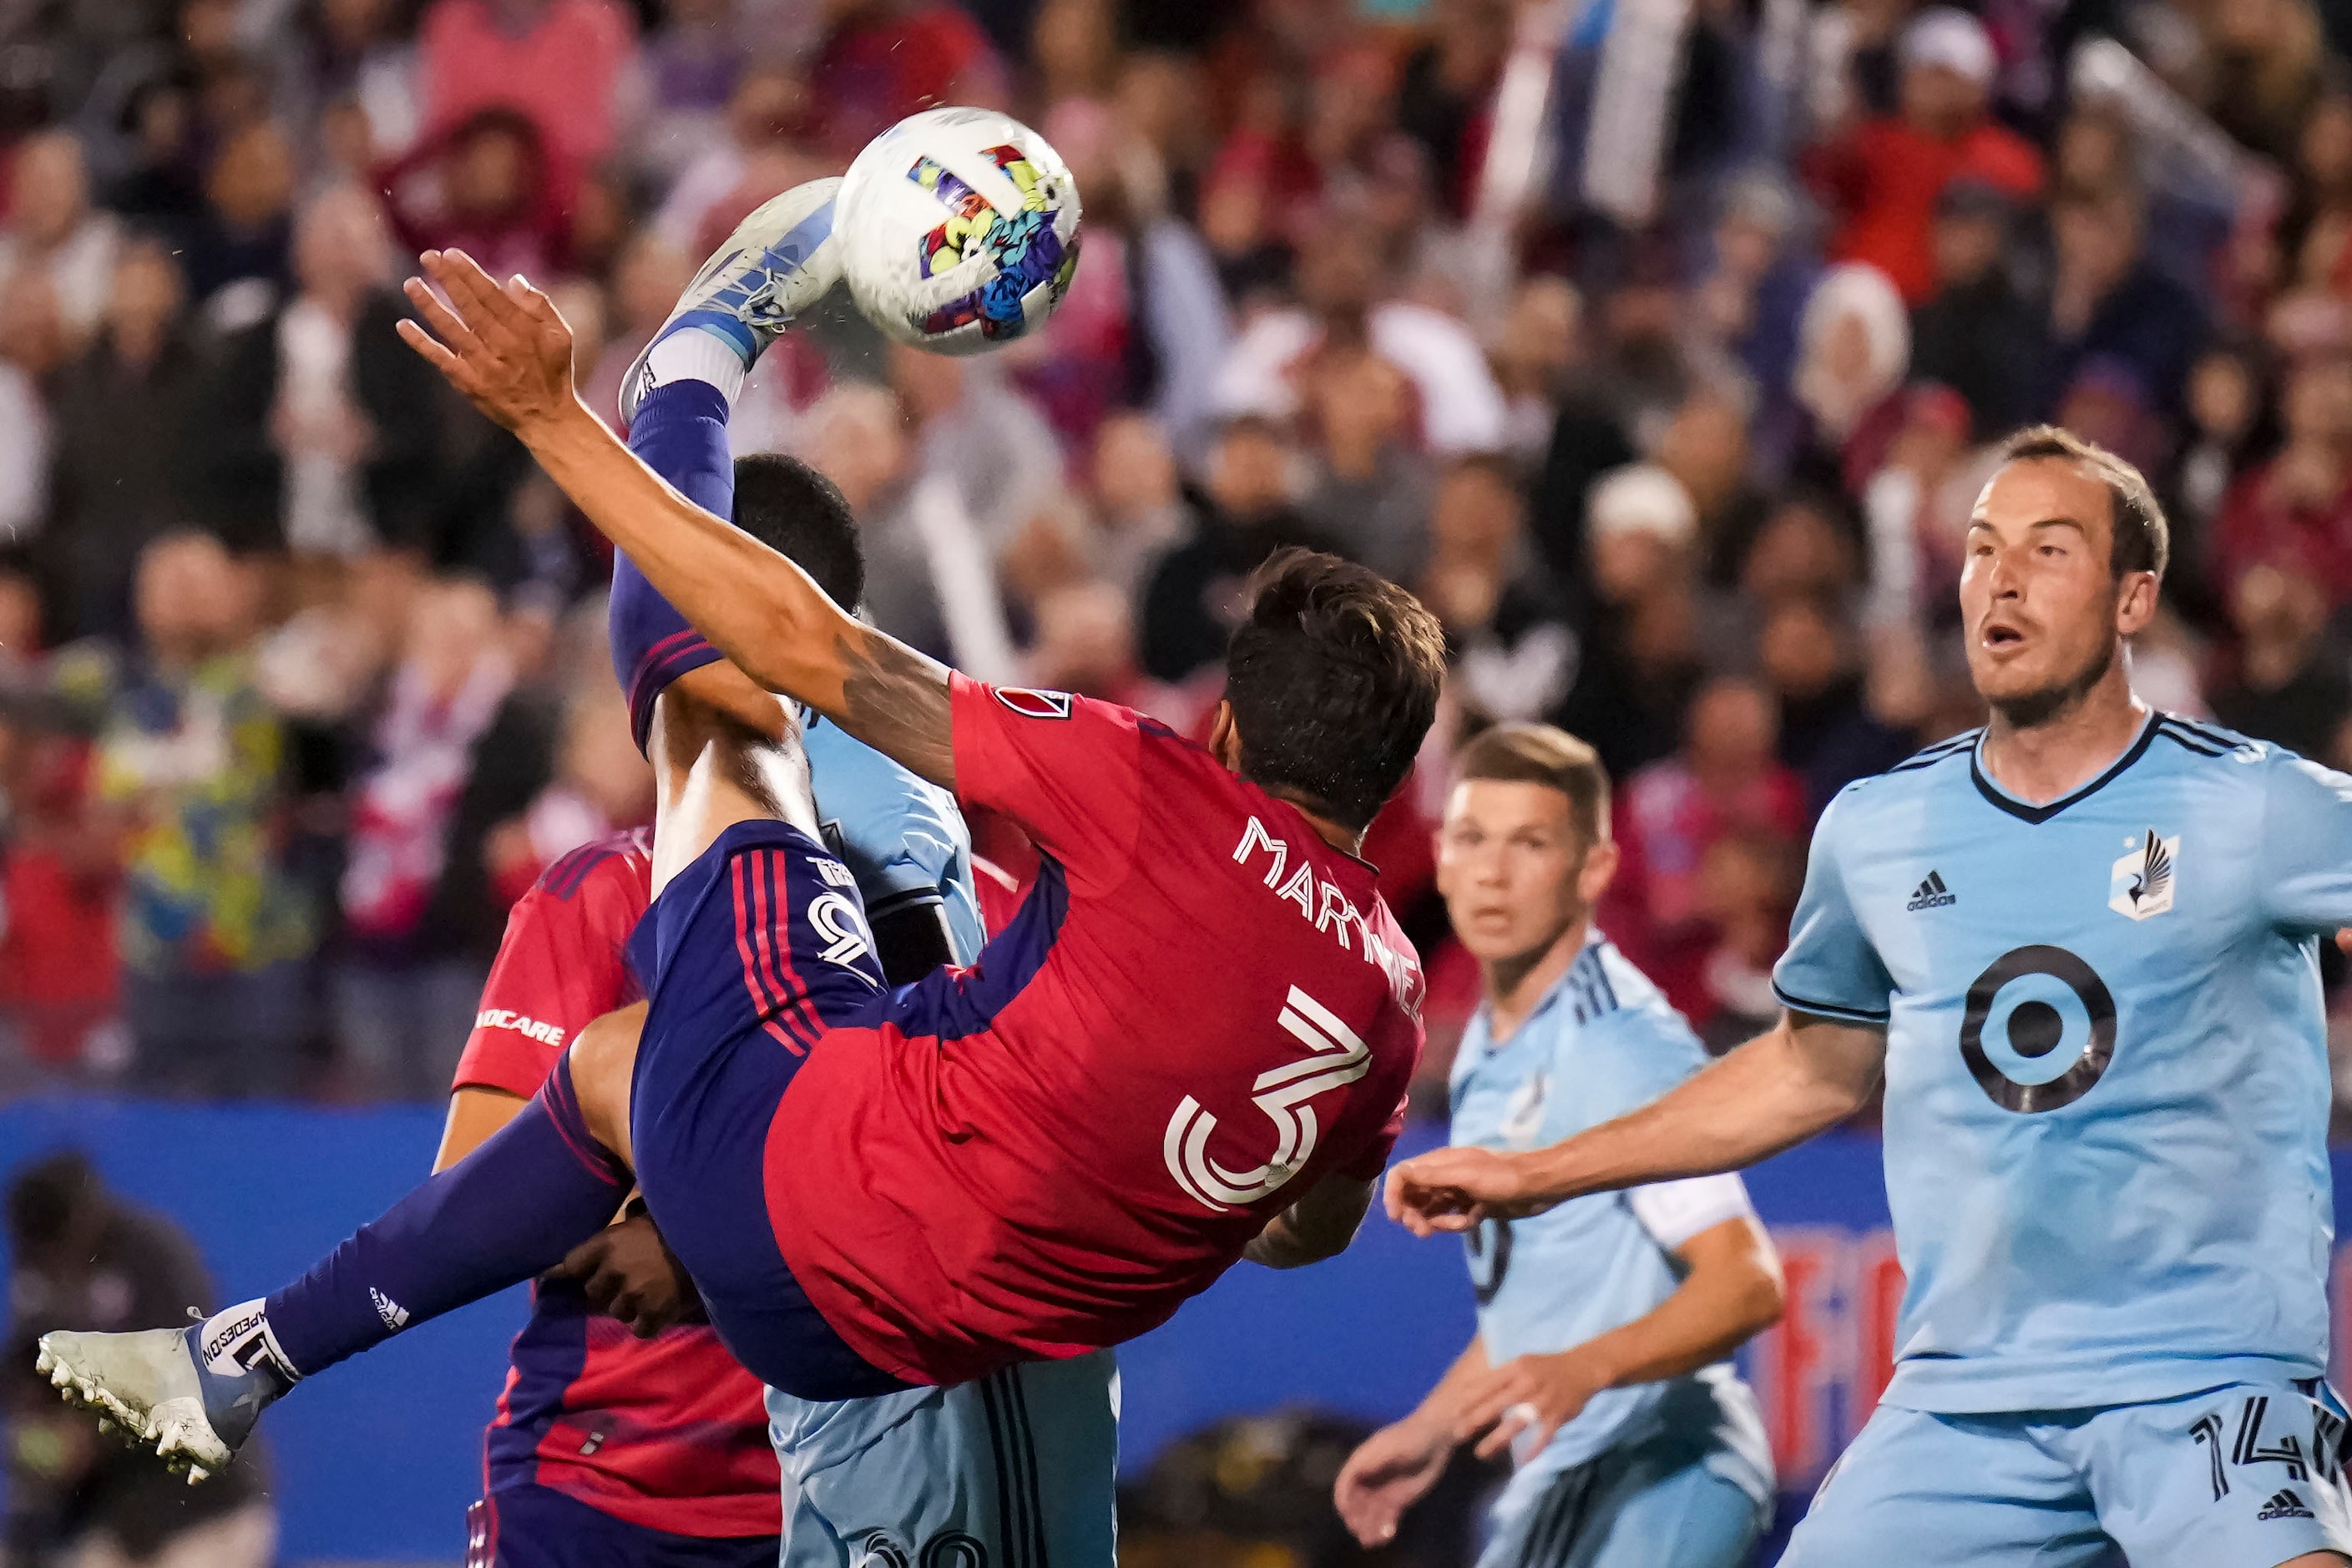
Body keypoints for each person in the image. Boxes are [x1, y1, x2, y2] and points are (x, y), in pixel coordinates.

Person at [41, 199, 1436, 1516]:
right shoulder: (1384, 998)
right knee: (615, 1069)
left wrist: (551, 420)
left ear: (1230, 722)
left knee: (724, 718)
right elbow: (1301, 1230)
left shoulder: (1151, 783)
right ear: (1395, 776)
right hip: (915, 1350)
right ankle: (240, 1358)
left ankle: (690, 367)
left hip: (794, 1205)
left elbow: (810, 648)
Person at [1387, 425, 2352, 1566]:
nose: (2000, 577)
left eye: (2048, 550)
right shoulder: (1878, 829)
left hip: (2207, 1381)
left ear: (2133, 598)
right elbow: (1810, 1064)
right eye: (1982, 547)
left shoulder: (2252, 806)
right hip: (1963, 1402)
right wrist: (1535, 1172)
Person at [1333, 723, 1780, 1566]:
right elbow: (1544, 1297)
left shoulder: (1619, 1047)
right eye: (1472, 839)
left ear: (1594, 869)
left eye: (1530, 843)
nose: (1493, 872)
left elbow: (1746, 1284)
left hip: (1667, 1474)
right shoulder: (1493, 1050)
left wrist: (1586, 1368)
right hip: (1566, 1478)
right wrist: (1433, 1429)